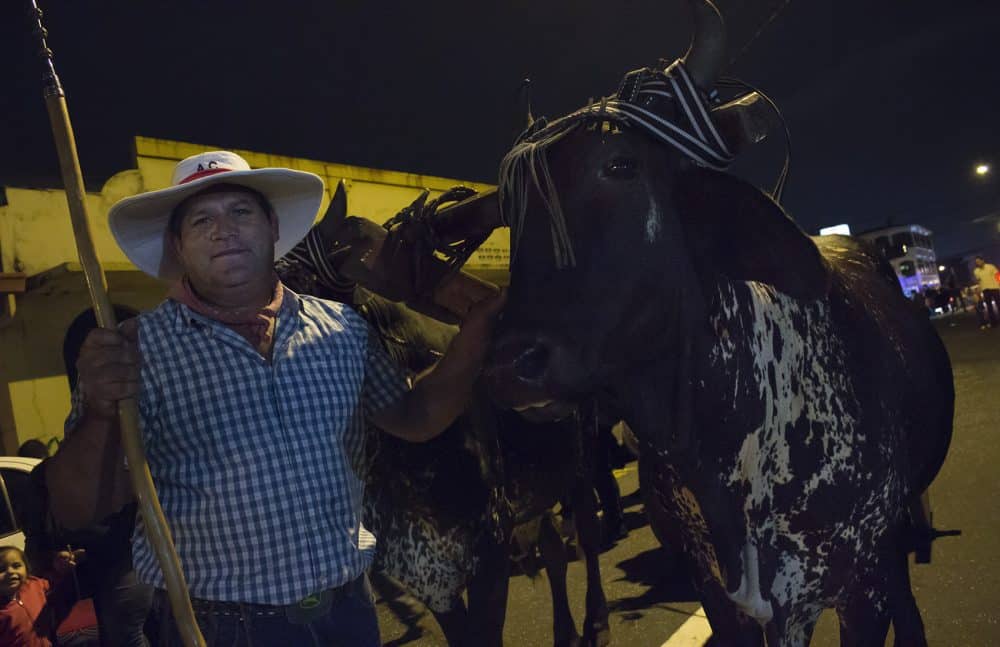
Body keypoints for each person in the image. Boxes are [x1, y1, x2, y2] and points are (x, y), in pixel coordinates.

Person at [43, 151, 504, 646]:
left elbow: (415, 416)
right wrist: (99, 411)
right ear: (177, 246)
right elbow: (75, 510)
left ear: (272, 226)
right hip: (219, 629)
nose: (223, 230)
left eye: (240, 212)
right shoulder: (136, 350)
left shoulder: (343, 329)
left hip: (348, 614)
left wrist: (474, 336)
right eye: (202, 220)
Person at [0, 545, 89, 646]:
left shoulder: (33, 584)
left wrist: (63, 565)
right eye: (1, 569)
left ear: (26, 568)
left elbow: (55, 580)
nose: (10, 572)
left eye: (16, 566)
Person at [973, 256, 1000, 329]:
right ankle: (994, 322)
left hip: (994, 287)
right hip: (985, 289)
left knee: (999, 304)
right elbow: (979, 281)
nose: (978, 263)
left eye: (979, 261)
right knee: (989, 307)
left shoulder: (991, 267)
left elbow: (998, 276)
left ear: (983, 260)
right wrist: (979, 290)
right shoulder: (976, 271)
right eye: (976, 262)